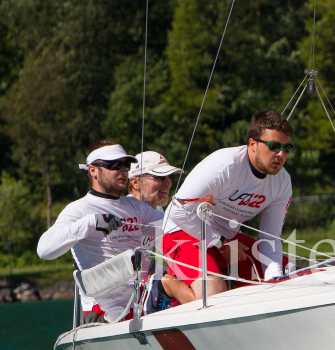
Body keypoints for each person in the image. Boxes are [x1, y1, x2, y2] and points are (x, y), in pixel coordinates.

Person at [162, 110, 293, 303]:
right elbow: (176, 212)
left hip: (225, 240)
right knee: (215, 298)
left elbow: (270, 237)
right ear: (252, 144)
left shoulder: (282, 182)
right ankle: (168, 285)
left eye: (287, 148)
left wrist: (274, 280)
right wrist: (220, 243)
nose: (280, 154)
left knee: (286, 274)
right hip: (182, 232)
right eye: (274, 146)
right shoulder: (224, 165)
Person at [37, 141, 162, 323]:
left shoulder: (135, 206)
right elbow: (44, 250)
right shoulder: (79, 209)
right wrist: (90, 222)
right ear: (93, 170)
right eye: (114, 165)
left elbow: (170, 231)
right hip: (105, 309)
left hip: (144, 297)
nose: (123, 171)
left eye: (125, 165)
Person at [127, 151, 195, 307]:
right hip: (127, 296)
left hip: (148, 287)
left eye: (170, 177)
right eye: (160, 177)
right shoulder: (124, 211)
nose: (169, 183)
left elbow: (161, 259)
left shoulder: (158, 211)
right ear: (136, 182)